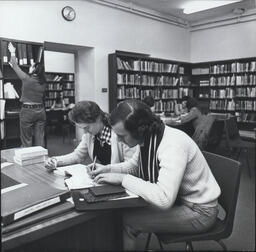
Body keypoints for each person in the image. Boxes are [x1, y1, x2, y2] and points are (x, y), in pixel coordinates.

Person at [92, 99, 221, 251]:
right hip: (183, 201)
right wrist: (107, 169)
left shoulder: (172, 146)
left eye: (122, 136)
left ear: (139, 131)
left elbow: (164, 198)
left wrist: (123, 179)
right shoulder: (150, 135)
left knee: (126, 221)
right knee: (120, 213)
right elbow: (134, 165)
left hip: (200, 211)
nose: (119, 141)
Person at [45, 100, 139, 173]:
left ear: (98, 119)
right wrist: (56, 161)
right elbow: (78, 155)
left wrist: (106, 170)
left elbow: (131, 166)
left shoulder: (120, 133)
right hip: (104, 177)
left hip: (121, 180)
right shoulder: (90, 134)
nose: (85, 132)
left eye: (86, 127)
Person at [8, 42, 46, 147]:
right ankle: (40, 159)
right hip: (41, 111)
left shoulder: (26, 79)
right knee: (40, 138)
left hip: (28, 111)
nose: (29, 67)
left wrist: (12, 52)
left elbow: (15, 66)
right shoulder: (43, 82)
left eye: (31, 66)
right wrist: (14, 66)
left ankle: (27, 159)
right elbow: (15, 67)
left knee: (26, 139)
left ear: (34, 69)